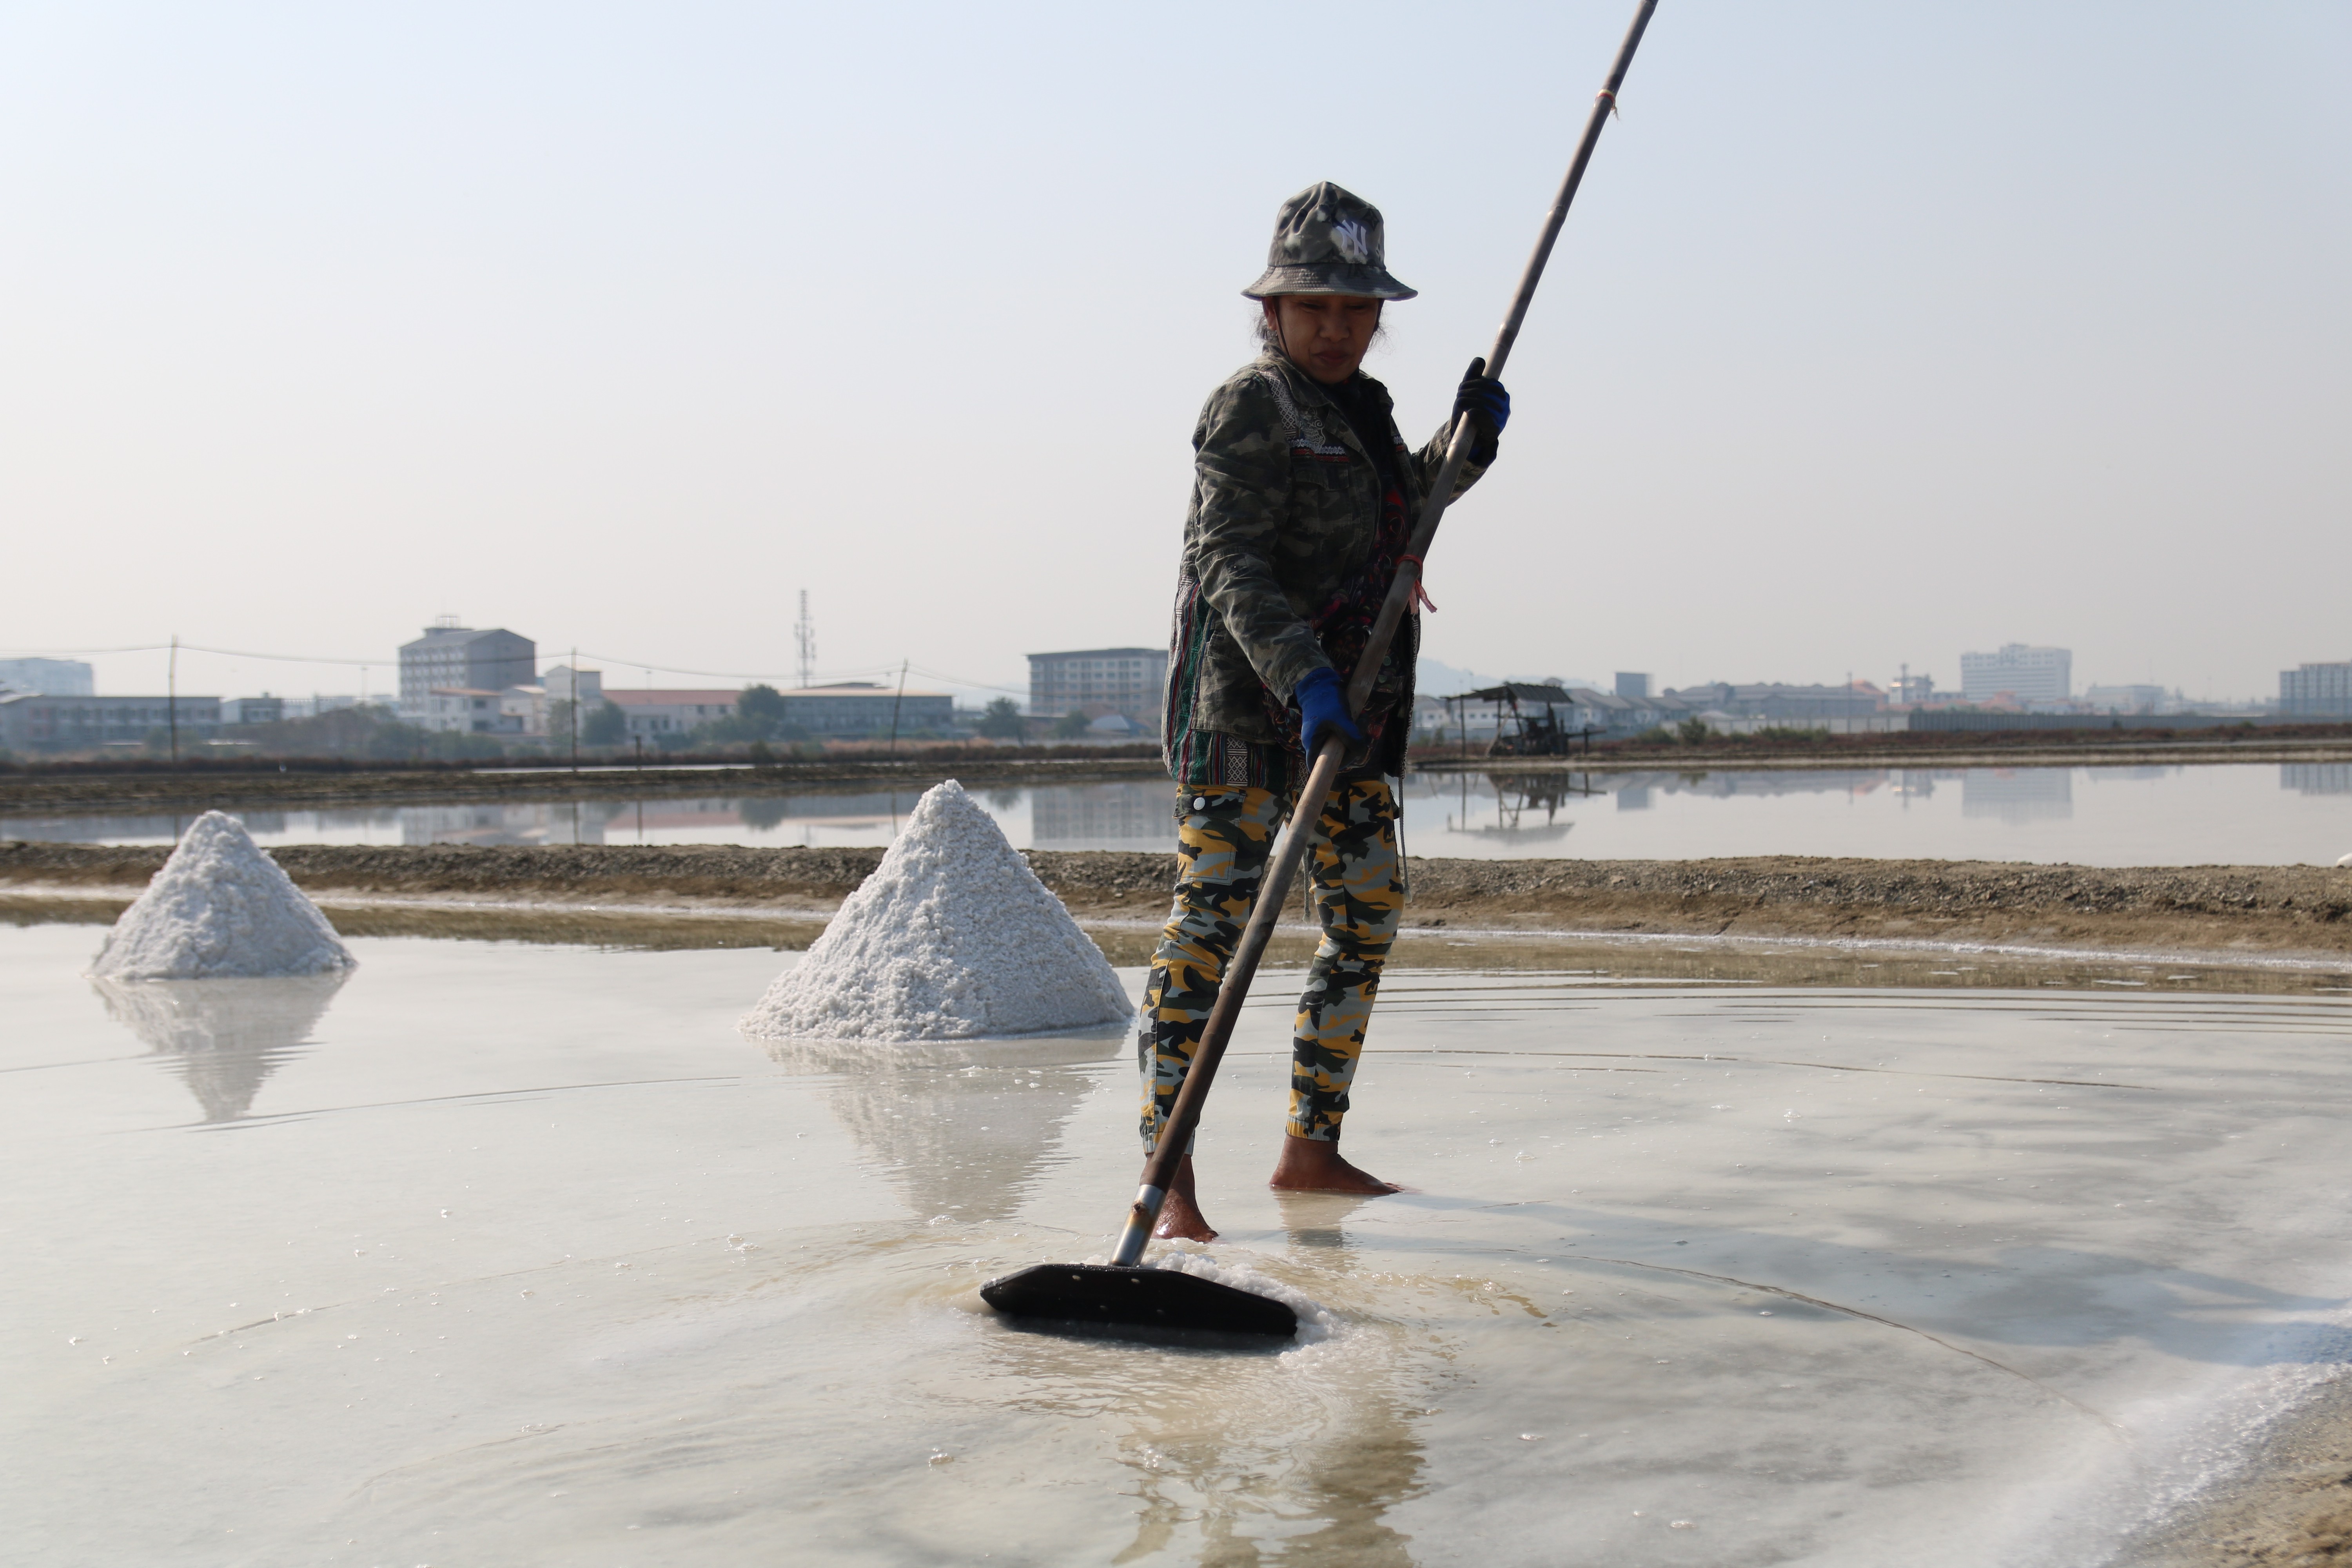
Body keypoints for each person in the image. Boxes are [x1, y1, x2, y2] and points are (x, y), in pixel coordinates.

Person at [1140, 181, 1509, 1241]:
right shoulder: (1253, 404)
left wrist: (1467, 443)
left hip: (1349, 718)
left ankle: (1312, 1147)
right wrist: (1301, 678)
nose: (1336, 328)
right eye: (1314, 309)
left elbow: (1407, 513)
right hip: (1248, 714)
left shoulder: (1369, 411)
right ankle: (1168, 1181)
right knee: (1211, 931)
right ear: (1274, 313)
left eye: (1355, 310)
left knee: (1365, 913)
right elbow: (1226, 557)